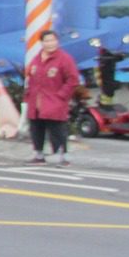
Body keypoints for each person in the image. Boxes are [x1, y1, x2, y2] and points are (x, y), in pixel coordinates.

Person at [24, 31, 82, 166]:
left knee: (57, 128)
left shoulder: (64, 59)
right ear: (42, 43)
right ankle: (39, 153)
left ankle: (63, 155)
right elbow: (30, 78)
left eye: (52, 40)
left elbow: (73, 80)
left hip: (54, 100)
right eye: (47, 41)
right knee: (36, 127)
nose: (50, 44)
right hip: (36, 101)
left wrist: (61, 96)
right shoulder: (37, 59)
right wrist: (28, 96)